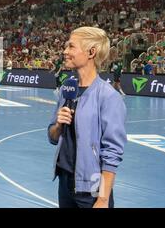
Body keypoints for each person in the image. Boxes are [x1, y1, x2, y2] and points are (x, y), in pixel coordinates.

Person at [47, 27, 126, 208]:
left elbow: (112, 153)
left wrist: (103, 199)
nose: (65, 51)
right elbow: (52, 137)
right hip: (65, 181)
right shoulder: (66, 89)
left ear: (91, 52)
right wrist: (58, 125)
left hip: (92, 188)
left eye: (71, 47)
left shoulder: (108, 96)